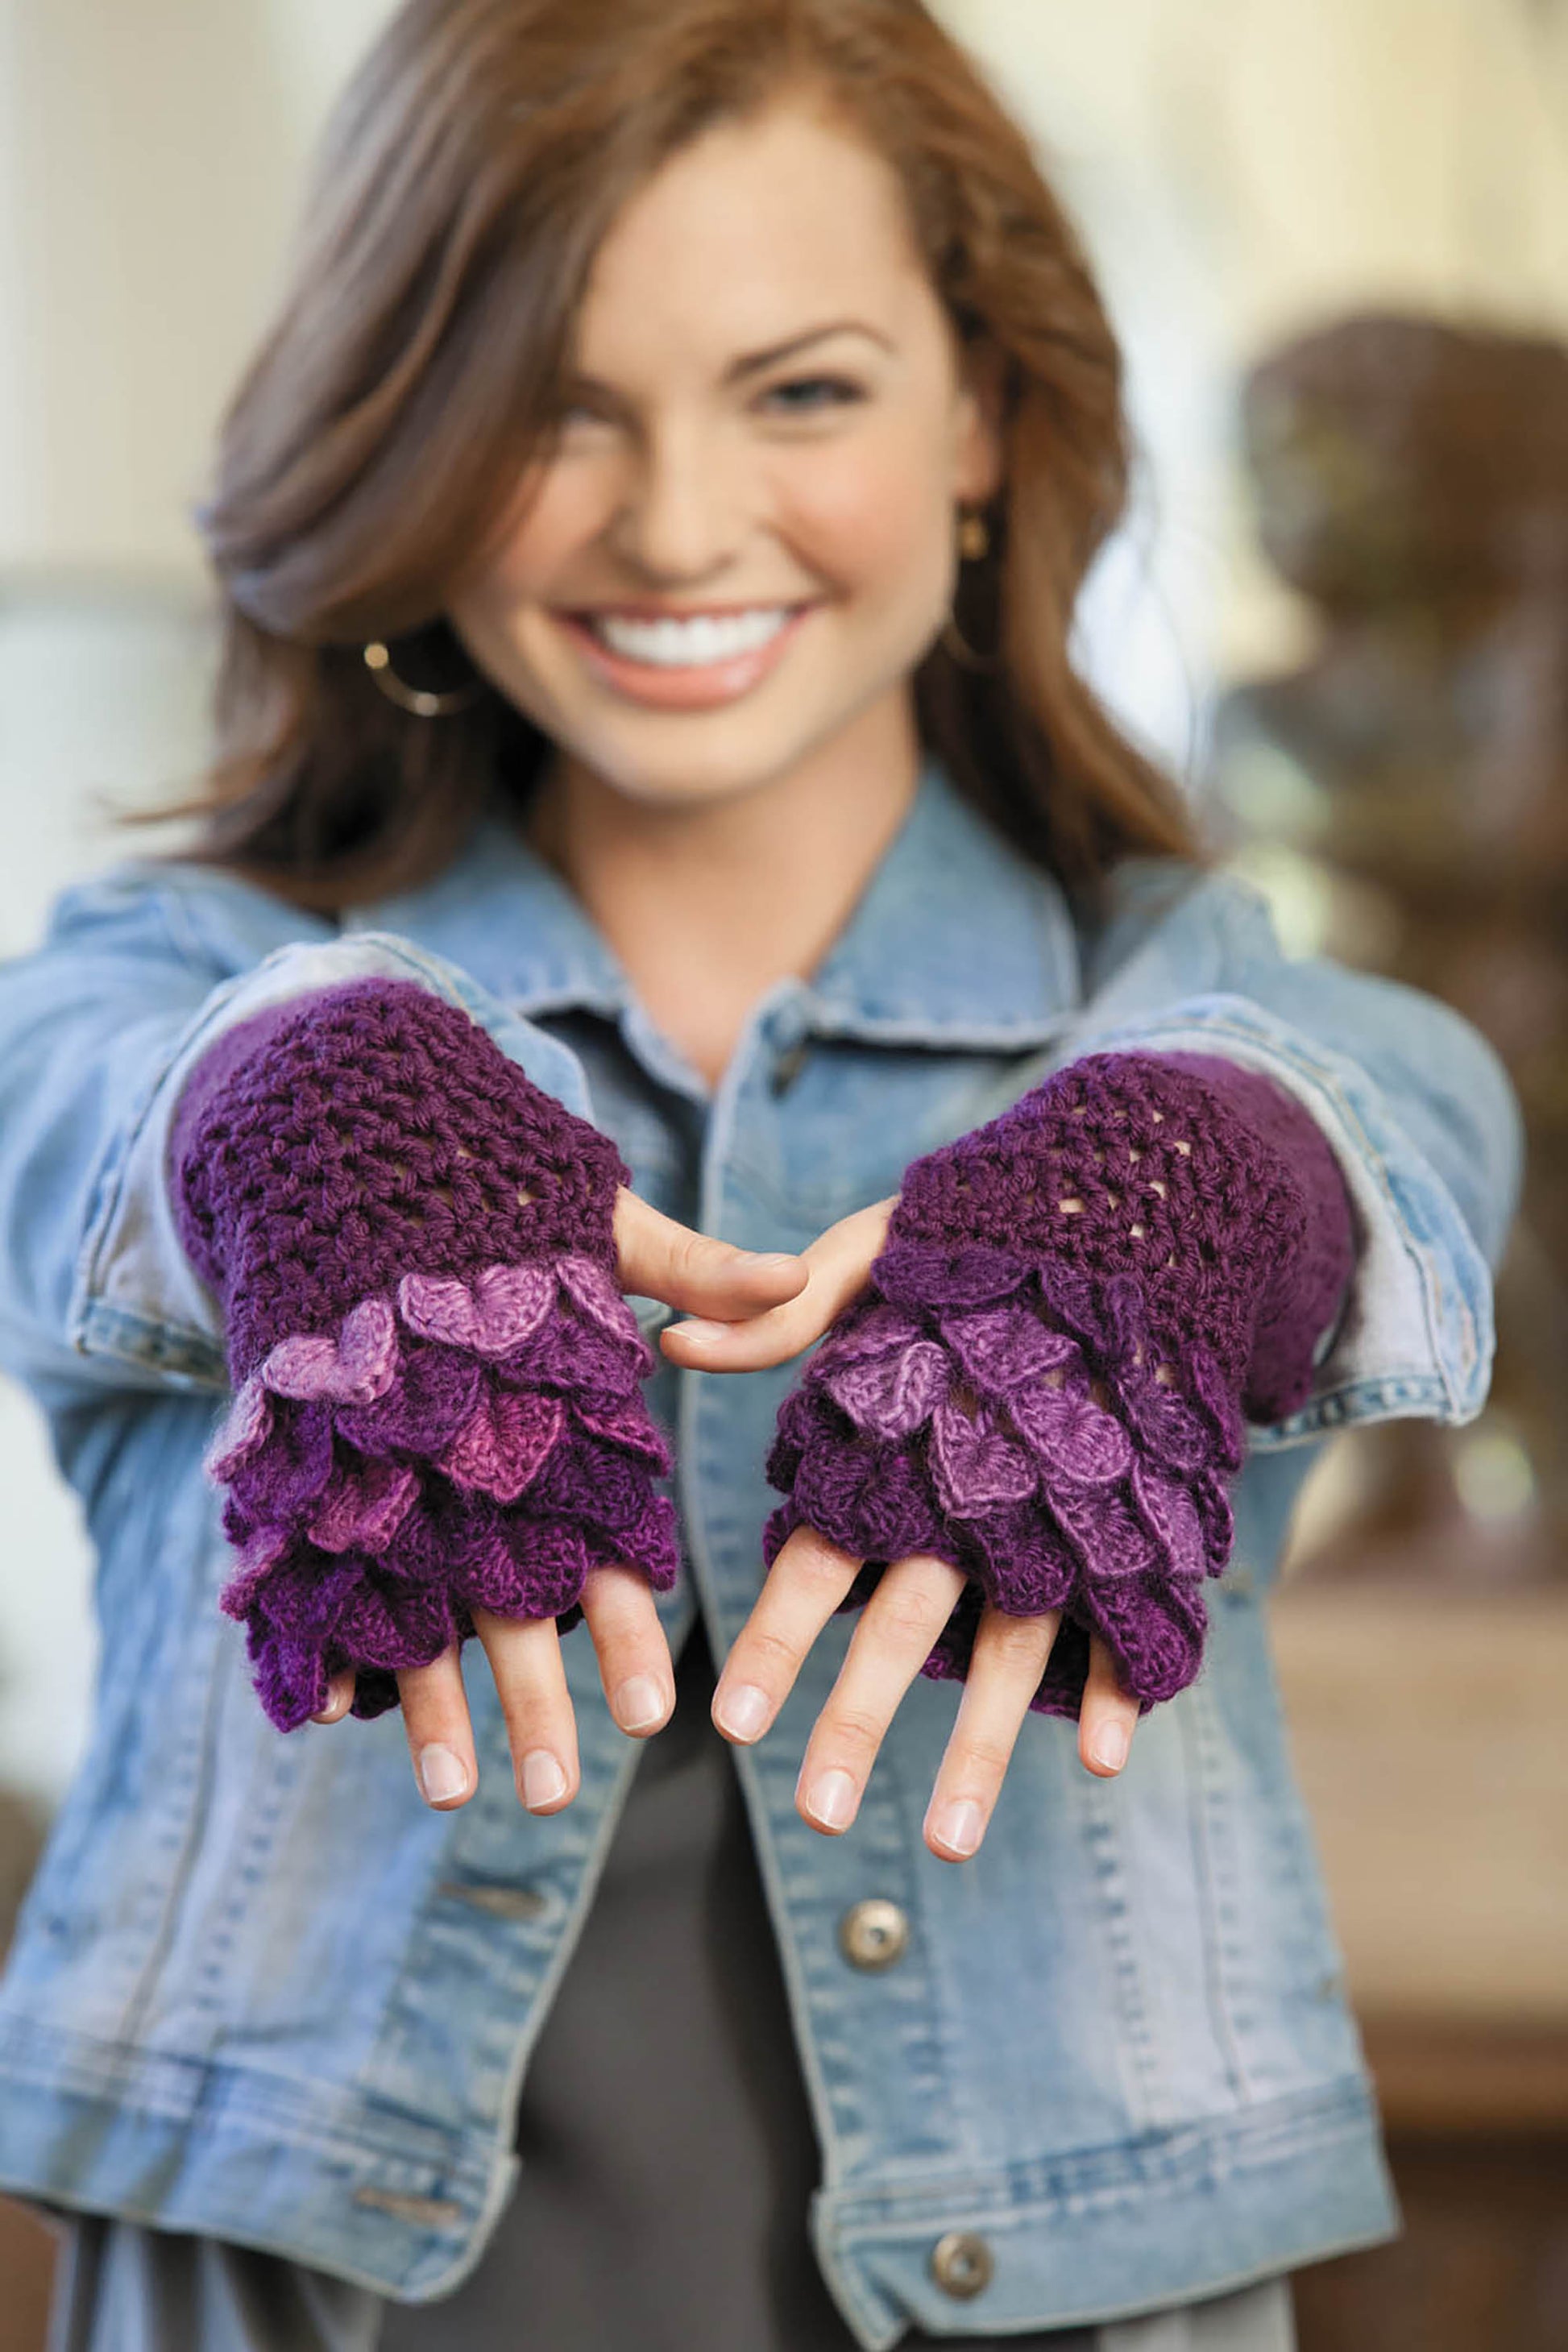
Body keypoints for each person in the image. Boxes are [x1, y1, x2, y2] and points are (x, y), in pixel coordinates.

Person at [0, 3, 1520, 2348]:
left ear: (984, 415)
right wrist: (310, 1104)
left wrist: (1197, 1184)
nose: (678, 524)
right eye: (551, 410)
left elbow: (1391, 1109)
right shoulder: (183, 986)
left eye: (796, 390)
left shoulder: (1186, 1019)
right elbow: (83, 1101)